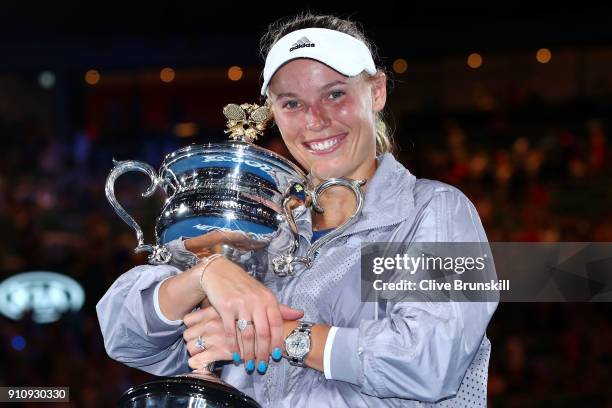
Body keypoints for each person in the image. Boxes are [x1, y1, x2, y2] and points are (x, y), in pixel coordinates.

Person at [97, 13, 498, 407]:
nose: (315, 119)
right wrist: (206, 275)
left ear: (376, 91)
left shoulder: (434, 211)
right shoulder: (263, 227)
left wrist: (276, 334)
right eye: (292, 103)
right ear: (274, 111)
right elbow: (123, 335)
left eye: (335, 94)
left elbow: (429, 361)